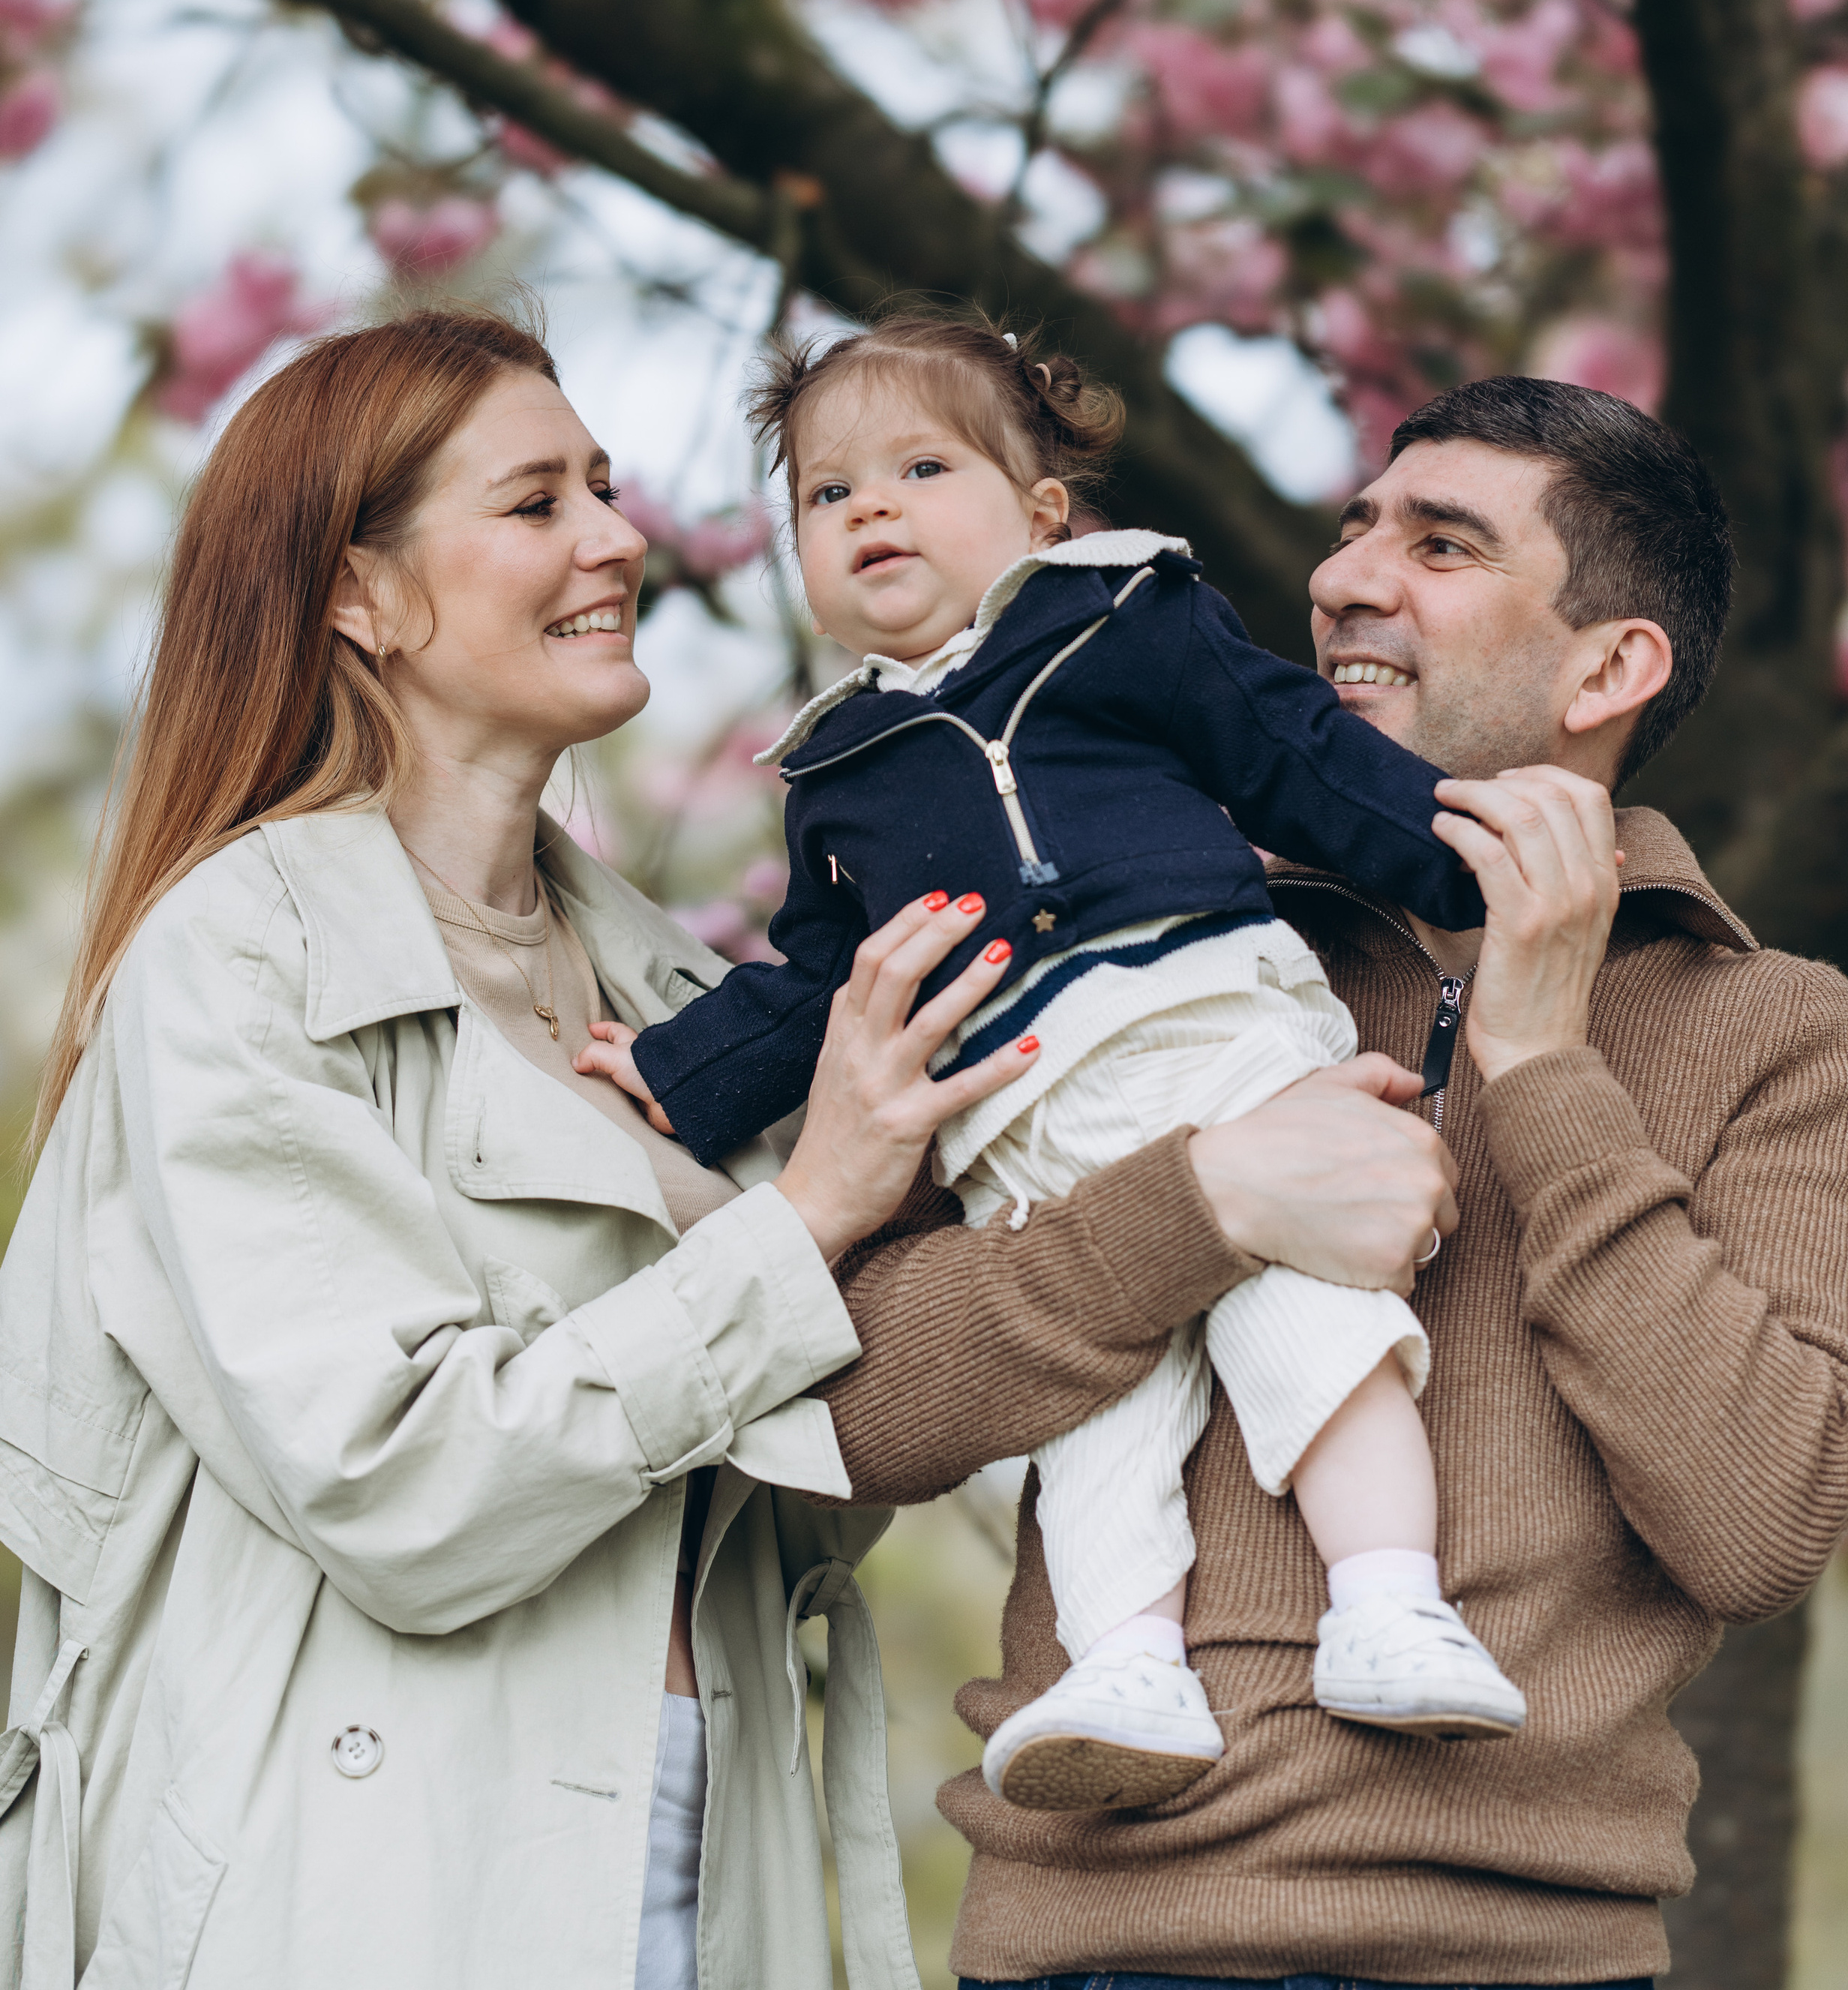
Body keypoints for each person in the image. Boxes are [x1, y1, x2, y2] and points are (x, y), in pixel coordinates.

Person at [0, 302, 1449, 1990]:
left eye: (606, 489)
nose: (621, 538)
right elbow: (399, 1480)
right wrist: (820, 1206)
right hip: (370, 1880)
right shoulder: (241, 954)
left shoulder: (689, 1003)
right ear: (359, 594)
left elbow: (825, 1462)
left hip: (709, 1838)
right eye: (537, 502)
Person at [812, 375, 1848, 1990]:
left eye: (1438, 543)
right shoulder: (1106, 955)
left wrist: (1538, 1067)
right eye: (1349, 530)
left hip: (1528, 1948)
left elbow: (1754, 1521)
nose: (1341, 579)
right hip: (1107, 1933)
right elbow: (856, 1414)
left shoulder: (1764, 1019)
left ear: (1609, 664)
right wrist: (1203, 1201)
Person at [592, 311, 1528, 1805]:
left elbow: (1287, 748)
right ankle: (1124, 1668)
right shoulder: (837, 770)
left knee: (1311, 1316)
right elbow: (824, 982)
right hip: (1026, 1123)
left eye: (916, 466)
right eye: (826, 496)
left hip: (1214, 1029)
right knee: (1095, 1408)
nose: (870, 507)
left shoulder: (1123, 620)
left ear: (1038, 511)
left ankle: (1389, 1600)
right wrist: (678, 1067)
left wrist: (1461, 852)